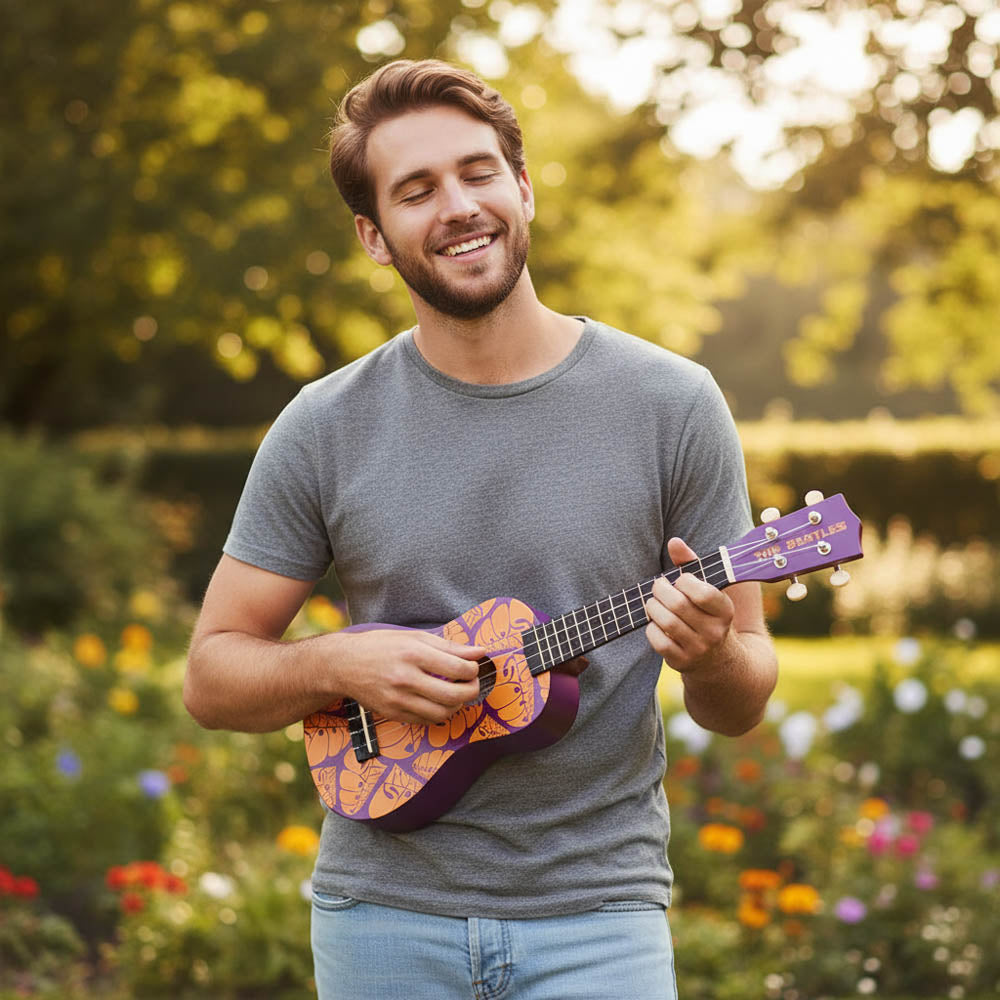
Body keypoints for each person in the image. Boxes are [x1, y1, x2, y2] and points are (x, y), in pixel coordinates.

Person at [183, 59, 778, 1000]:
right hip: (378, 915)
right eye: (417, 191)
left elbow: (742, 696)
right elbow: (212, 674)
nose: (458, 205)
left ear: (524, 186)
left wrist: (708, 658)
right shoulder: (324, 425)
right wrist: (340, 665)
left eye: (478, 172)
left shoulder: (673, 404)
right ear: (376, 238)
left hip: (600, 918)